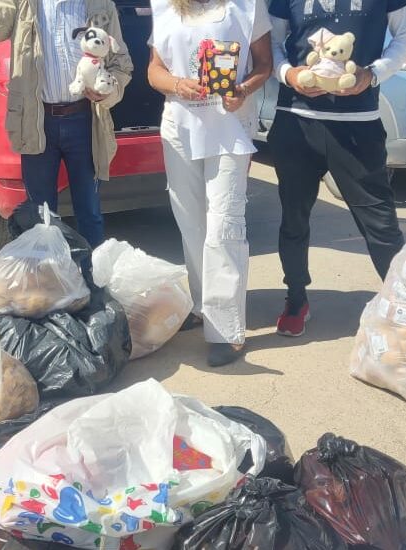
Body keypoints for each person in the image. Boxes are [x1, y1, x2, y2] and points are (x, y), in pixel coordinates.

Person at [268, 0, 406, 337]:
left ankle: (405, 304)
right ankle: (296, 299)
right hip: (296, 121)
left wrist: (373, 74)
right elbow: (272, 44)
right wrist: (288, 74)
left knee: (380, 223)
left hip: (357, 126)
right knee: (293, 220)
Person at [148, 0, 272, 366]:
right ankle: (203, 306)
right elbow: (153, 70)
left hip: (230, 130)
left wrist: (244, 90)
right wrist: (176, 84)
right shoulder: (165, 8)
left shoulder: (247, 7)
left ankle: (225, 330)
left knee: (224, 226)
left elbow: (264, 64)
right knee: (192, 225)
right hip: (179, 130)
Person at [0, 0, 133, 247]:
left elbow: (121, 65)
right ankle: (49, 280)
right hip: (37, 123)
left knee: (90, 213)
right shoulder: (20, 3)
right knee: (41, 216)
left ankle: (94, 279)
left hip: (85, 123)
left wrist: (109, 91)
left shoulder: (100, 6)